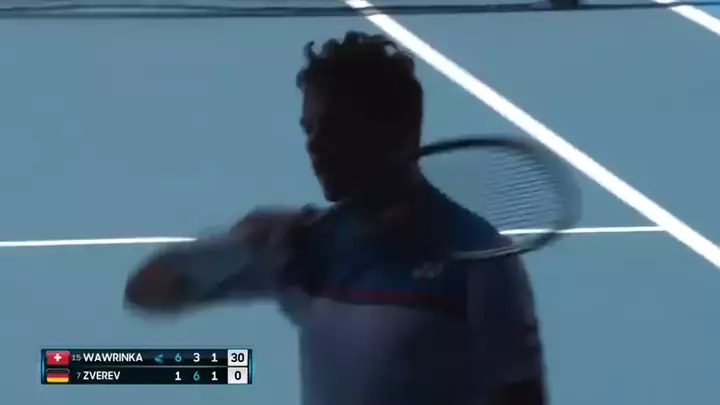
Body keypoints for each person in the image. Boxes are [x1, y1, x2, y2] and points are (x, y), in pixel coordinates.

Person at [124, 31, 547, 405]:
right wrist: (236, 247)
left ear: (399, 128)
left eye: (335, 126)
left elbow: (522, 397)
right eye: (309, 129)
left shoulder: (478, 258)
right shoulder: (305, 247)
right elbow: (147, 290)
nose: (315, 144)